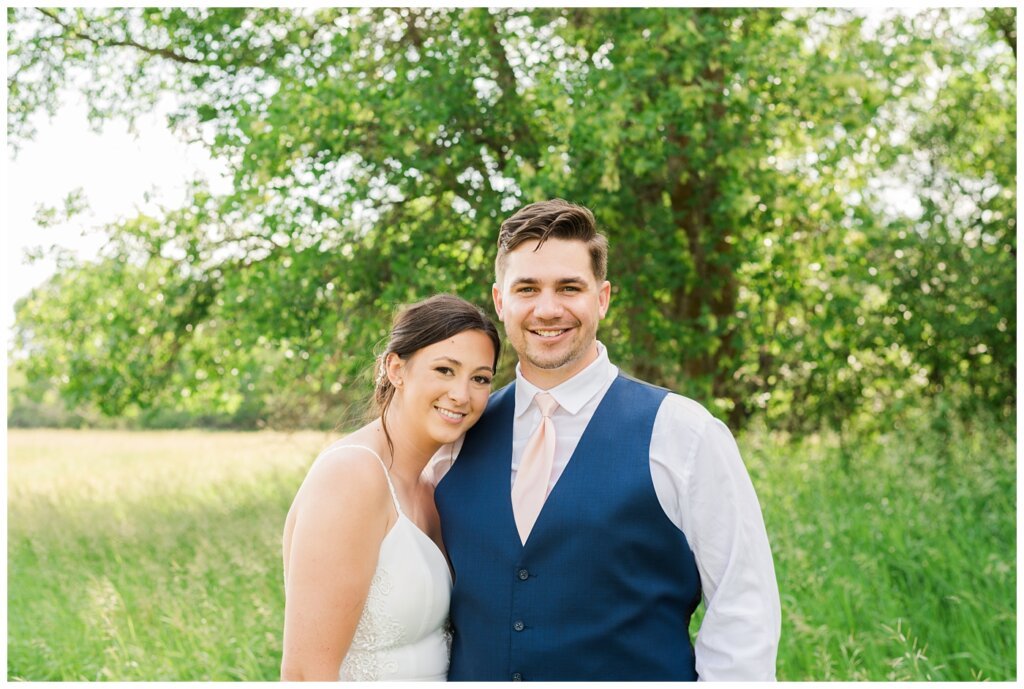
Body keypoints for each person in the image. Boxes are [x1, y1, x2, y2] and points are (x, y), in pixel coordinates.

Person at [432, 199, 781, 681]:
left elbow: (744, 608)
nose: (547, 308)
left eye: (569, 287)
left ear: (602, 298)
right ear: (499, 301)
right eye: (527, 288)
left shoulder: (683, 432)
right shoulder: (456, 432)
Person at [280, 294, 500, 681]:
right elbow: (304, 673)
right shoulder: (352, 476)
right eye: (445, 370)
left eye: (479, 378)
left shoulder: (433, 485)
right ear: (396, 369)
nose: (462, 395)